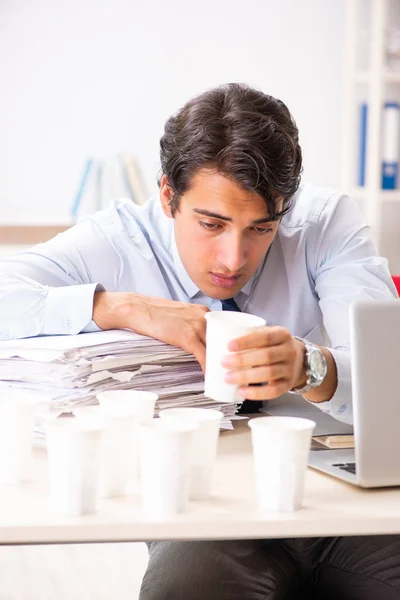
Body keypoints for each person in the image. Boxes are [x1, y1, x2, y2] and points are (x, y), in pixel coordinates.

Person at [1, 83, 399, 599]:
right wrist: (122, 306)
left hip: (329, 496)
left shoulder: (324, 224)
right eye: (211, 224)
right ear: (168, 195)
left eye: (261, 228)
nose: (233, 258)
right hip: (199, 499)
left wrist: (312, 367)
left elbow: (387, 376)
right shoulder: (119, 240)